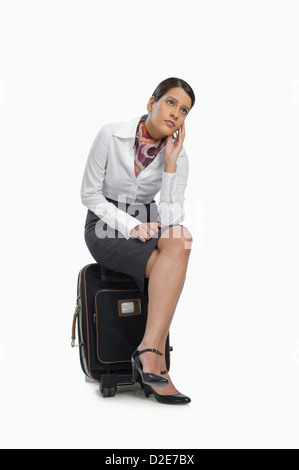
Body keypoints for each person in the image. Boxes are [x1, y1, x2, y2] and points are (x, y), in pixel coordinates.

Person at [81, 77, 195, 404]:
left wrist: (171, 166)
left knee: (182, 239)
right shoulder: (111, 134)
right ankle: (153, 359)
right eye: (171, 102)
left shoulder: (179, 155)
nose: (176, 113)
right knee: (169, 264)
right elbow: (88, 194)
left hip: (149, 224)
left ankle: (148, 349)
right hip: (105, 224)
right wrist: (130, 226)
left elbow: (172, 224)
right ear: (151, 103)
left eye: (184, 110)